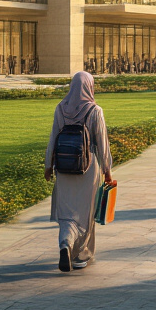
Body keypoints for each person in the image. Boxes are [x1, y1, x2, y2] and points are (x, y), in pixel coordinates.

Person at [44, 71, 112, 272]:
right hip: (88, 169)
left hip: (64, 168)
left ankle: (65, 244)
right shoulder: (94, 110)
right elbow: (102, 143)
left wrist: (48, 165)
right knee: (85, 213)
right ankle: (81, 255)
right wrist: (107, 170)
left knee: (66, 213)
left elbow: (53, 138)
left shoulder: (61, 108)